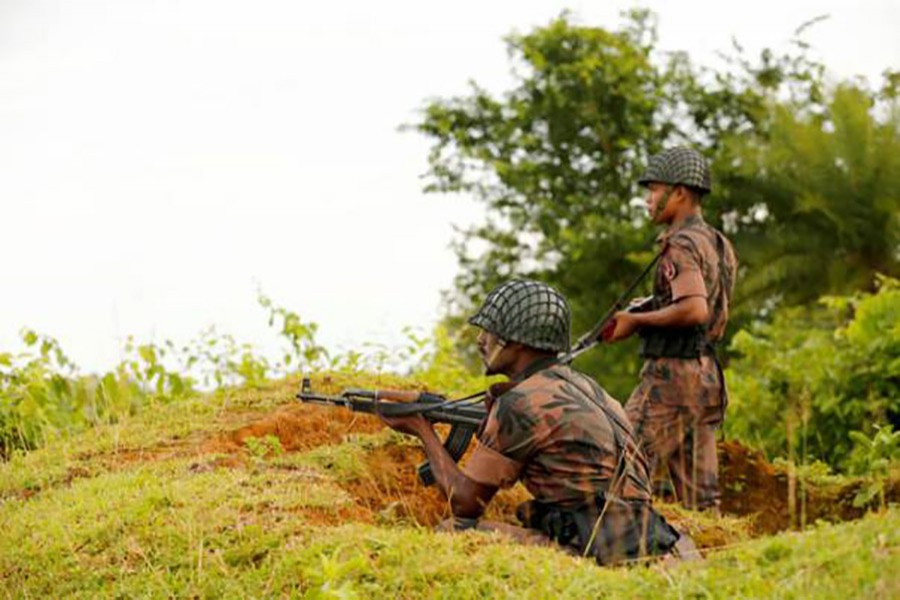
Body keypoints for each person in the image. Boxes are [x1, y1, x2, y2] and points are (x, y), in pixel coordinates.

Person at [379, 279, 681, 565]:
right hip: (648, 536)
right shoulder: (588, 387)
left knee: (453, 530)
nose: (481, 341)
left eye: (490, 332)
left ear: (518, 342)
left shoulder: (520, 403)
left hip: (596, 549)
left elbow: (465, 504)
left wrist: (422, 430)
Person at [603, 146, 738, 512]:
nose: (648, 200)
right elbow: (700, 304)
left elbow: (694, 309)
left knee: (616, 466)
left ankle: (611, 552)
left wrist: (635, 322)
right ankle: (711, 563)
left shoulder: (679, 244)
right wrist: (642, 309)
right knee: (703, 503)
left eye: (654, 191)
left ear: (679, 193)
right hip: (706, 378)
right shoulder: (717, 243)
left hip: (671, 380)